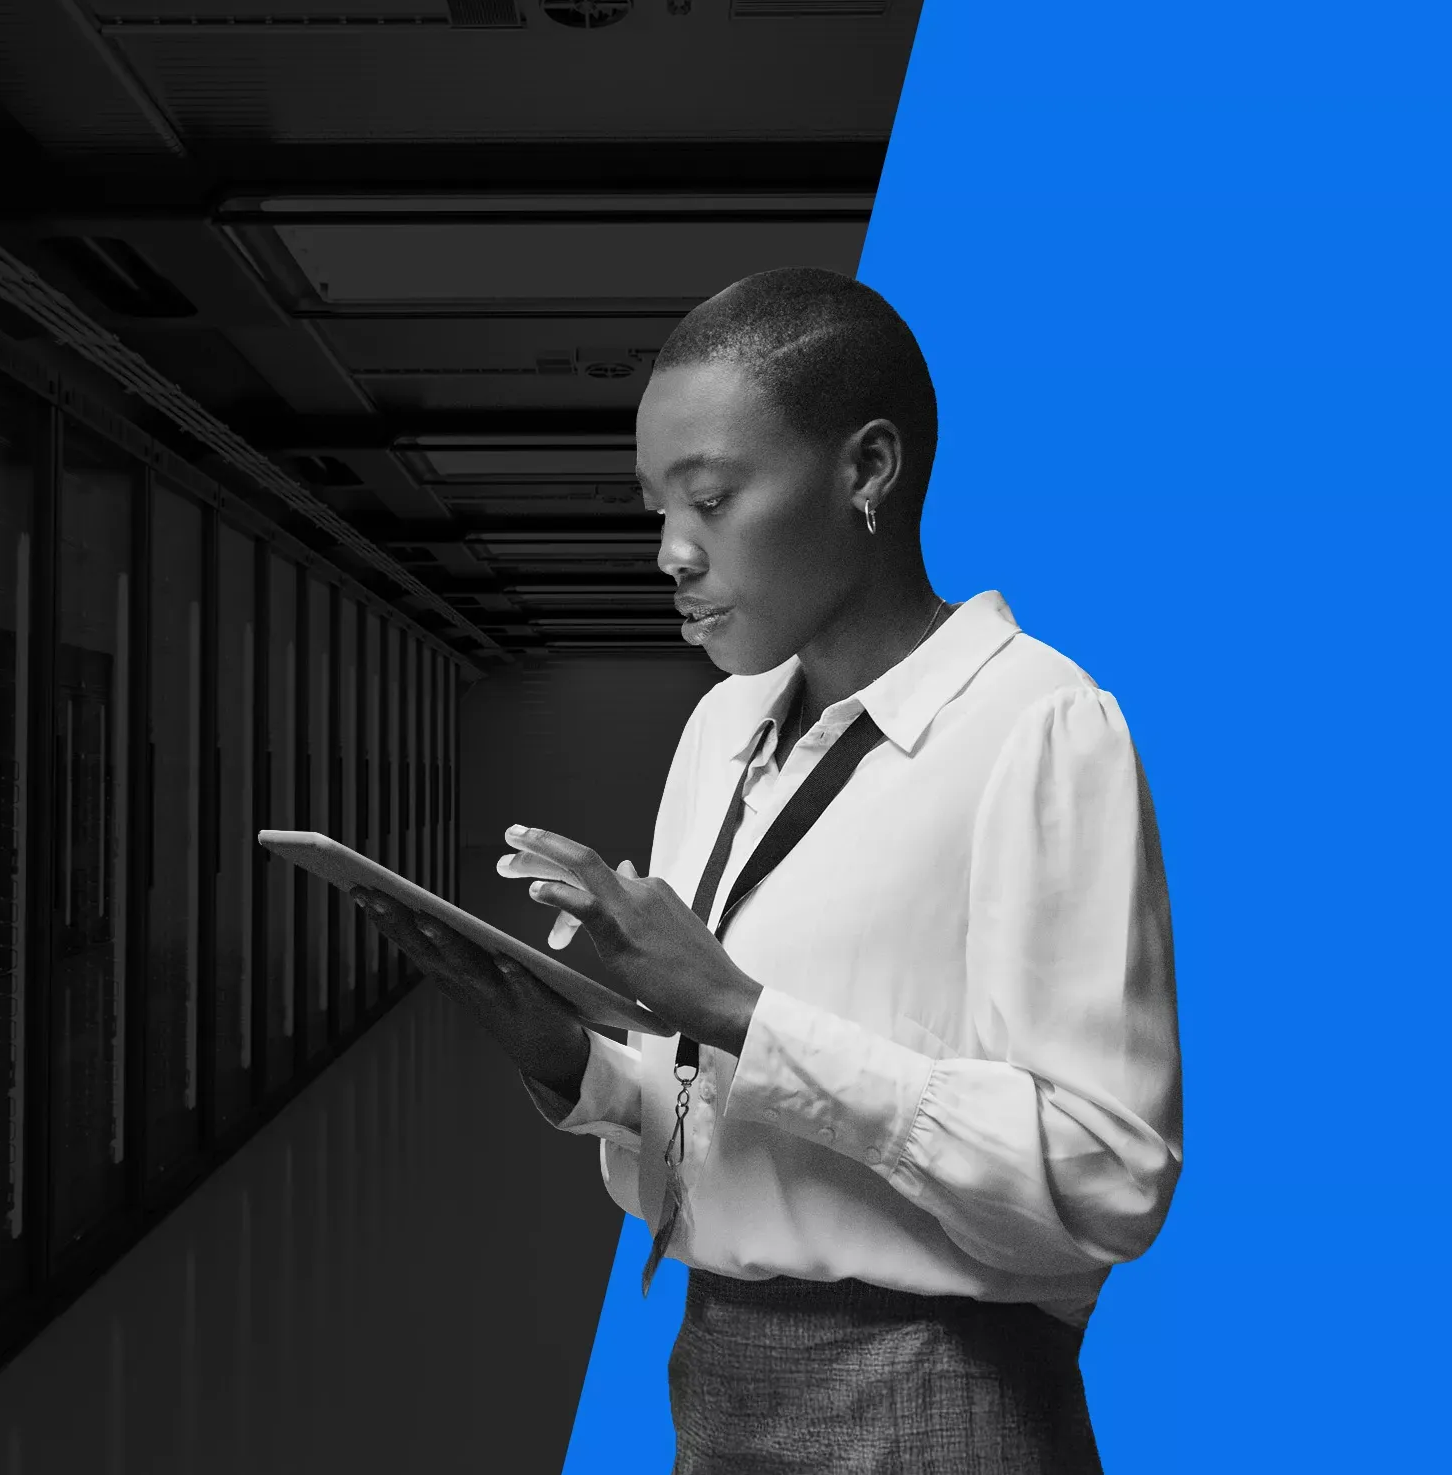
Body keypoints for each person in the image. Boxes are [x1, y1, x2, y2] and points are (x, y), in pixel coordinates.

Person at [355, 266, 1181, 1473]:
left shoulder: (1038, 724)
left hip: (936, 1394)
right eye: (655, 510)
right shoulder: (722, 731)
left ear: (869, 471)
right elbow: (713, 1128)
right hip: (715, 1382)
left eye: (713, 498)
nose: (671, 554)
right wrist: (569, 1058)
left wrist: (740, 1013)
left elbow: (1111, 1174)